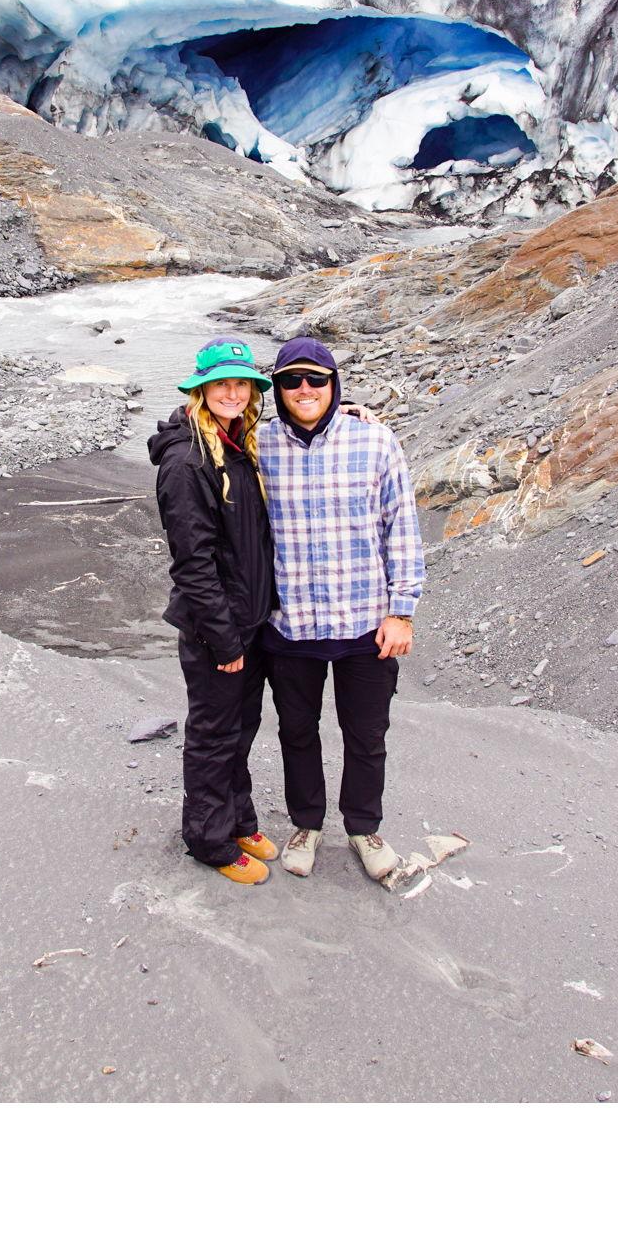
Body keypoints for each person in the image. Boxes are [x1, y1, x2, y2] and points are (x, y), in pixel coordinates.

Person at [256, 336, 424, 882]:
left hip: (365, 622)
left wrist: (402, 611)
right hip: (291, 623)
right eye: (291, 381)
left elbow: (402, 528)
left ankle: (363, 827)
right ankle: (306, 823)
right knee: (297, 731)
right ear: (276, 389)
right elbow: (200, 419)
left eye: (316, 380)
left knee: (366, 734)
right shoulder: (255, 446)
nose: (304, 390)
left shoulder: (375, 441)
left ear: (334, 384)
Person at [148, 339, 283, 887]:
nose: (232, 391)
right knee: (213, 733)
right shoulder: (186, 460)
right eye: (221, 382)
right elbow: (194, 563)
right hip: (216, 631)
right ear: (200, 388)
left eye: (242, 382)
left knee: (242, 727)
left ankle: (238, 817)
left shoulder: (235, 442)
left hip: (247, 622)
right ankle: (208, 838)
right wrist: (224, 640)